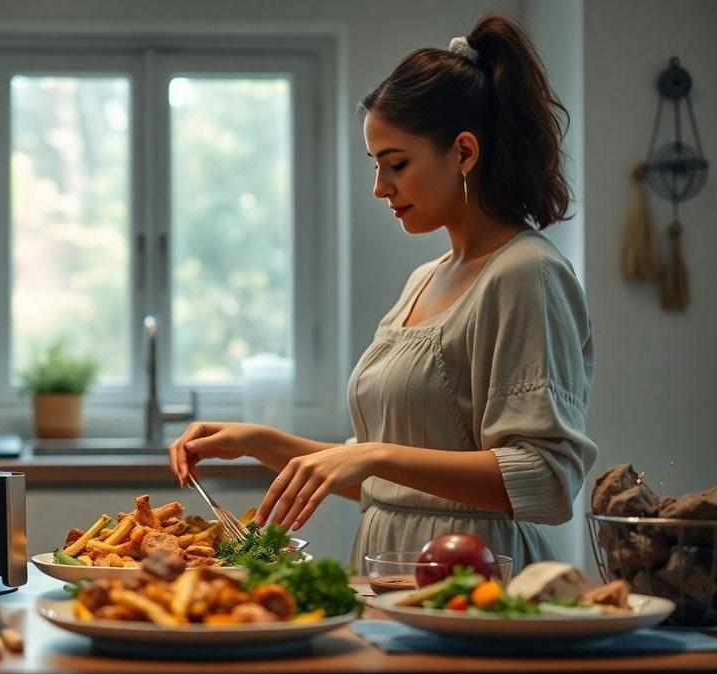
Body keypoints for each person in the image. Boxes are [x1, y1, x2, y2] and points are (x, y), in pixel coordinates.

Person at [167, 14, 596, 570]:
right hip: (389, 575)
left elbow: (547, 477)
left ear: (464, 153)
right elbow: (384, 477)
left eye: (397, 164)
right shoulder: (424, 279)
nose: (379, 187)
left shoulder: (526, 273)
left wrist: (373, 456)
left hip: (476, 582)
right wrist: (259, 441)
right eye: (376, 165)